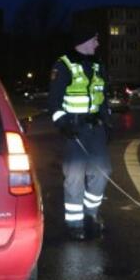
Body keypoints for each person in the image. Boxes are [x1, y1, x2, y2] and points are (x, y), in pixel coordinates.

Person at [47, 29, 112, 240]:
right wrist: (63, 124)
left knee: (102, 171)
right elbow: (54, 102)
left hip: (96, 128)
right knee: (74, 176)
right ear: (83, 41)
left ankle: (90, 215)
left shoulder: (97, 65)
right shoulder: (63, 65)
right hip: (74, 129)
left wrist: (107, 123)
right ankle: (74, 223)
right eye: (94, 39)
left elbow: (103, 97)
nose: (97, 43)